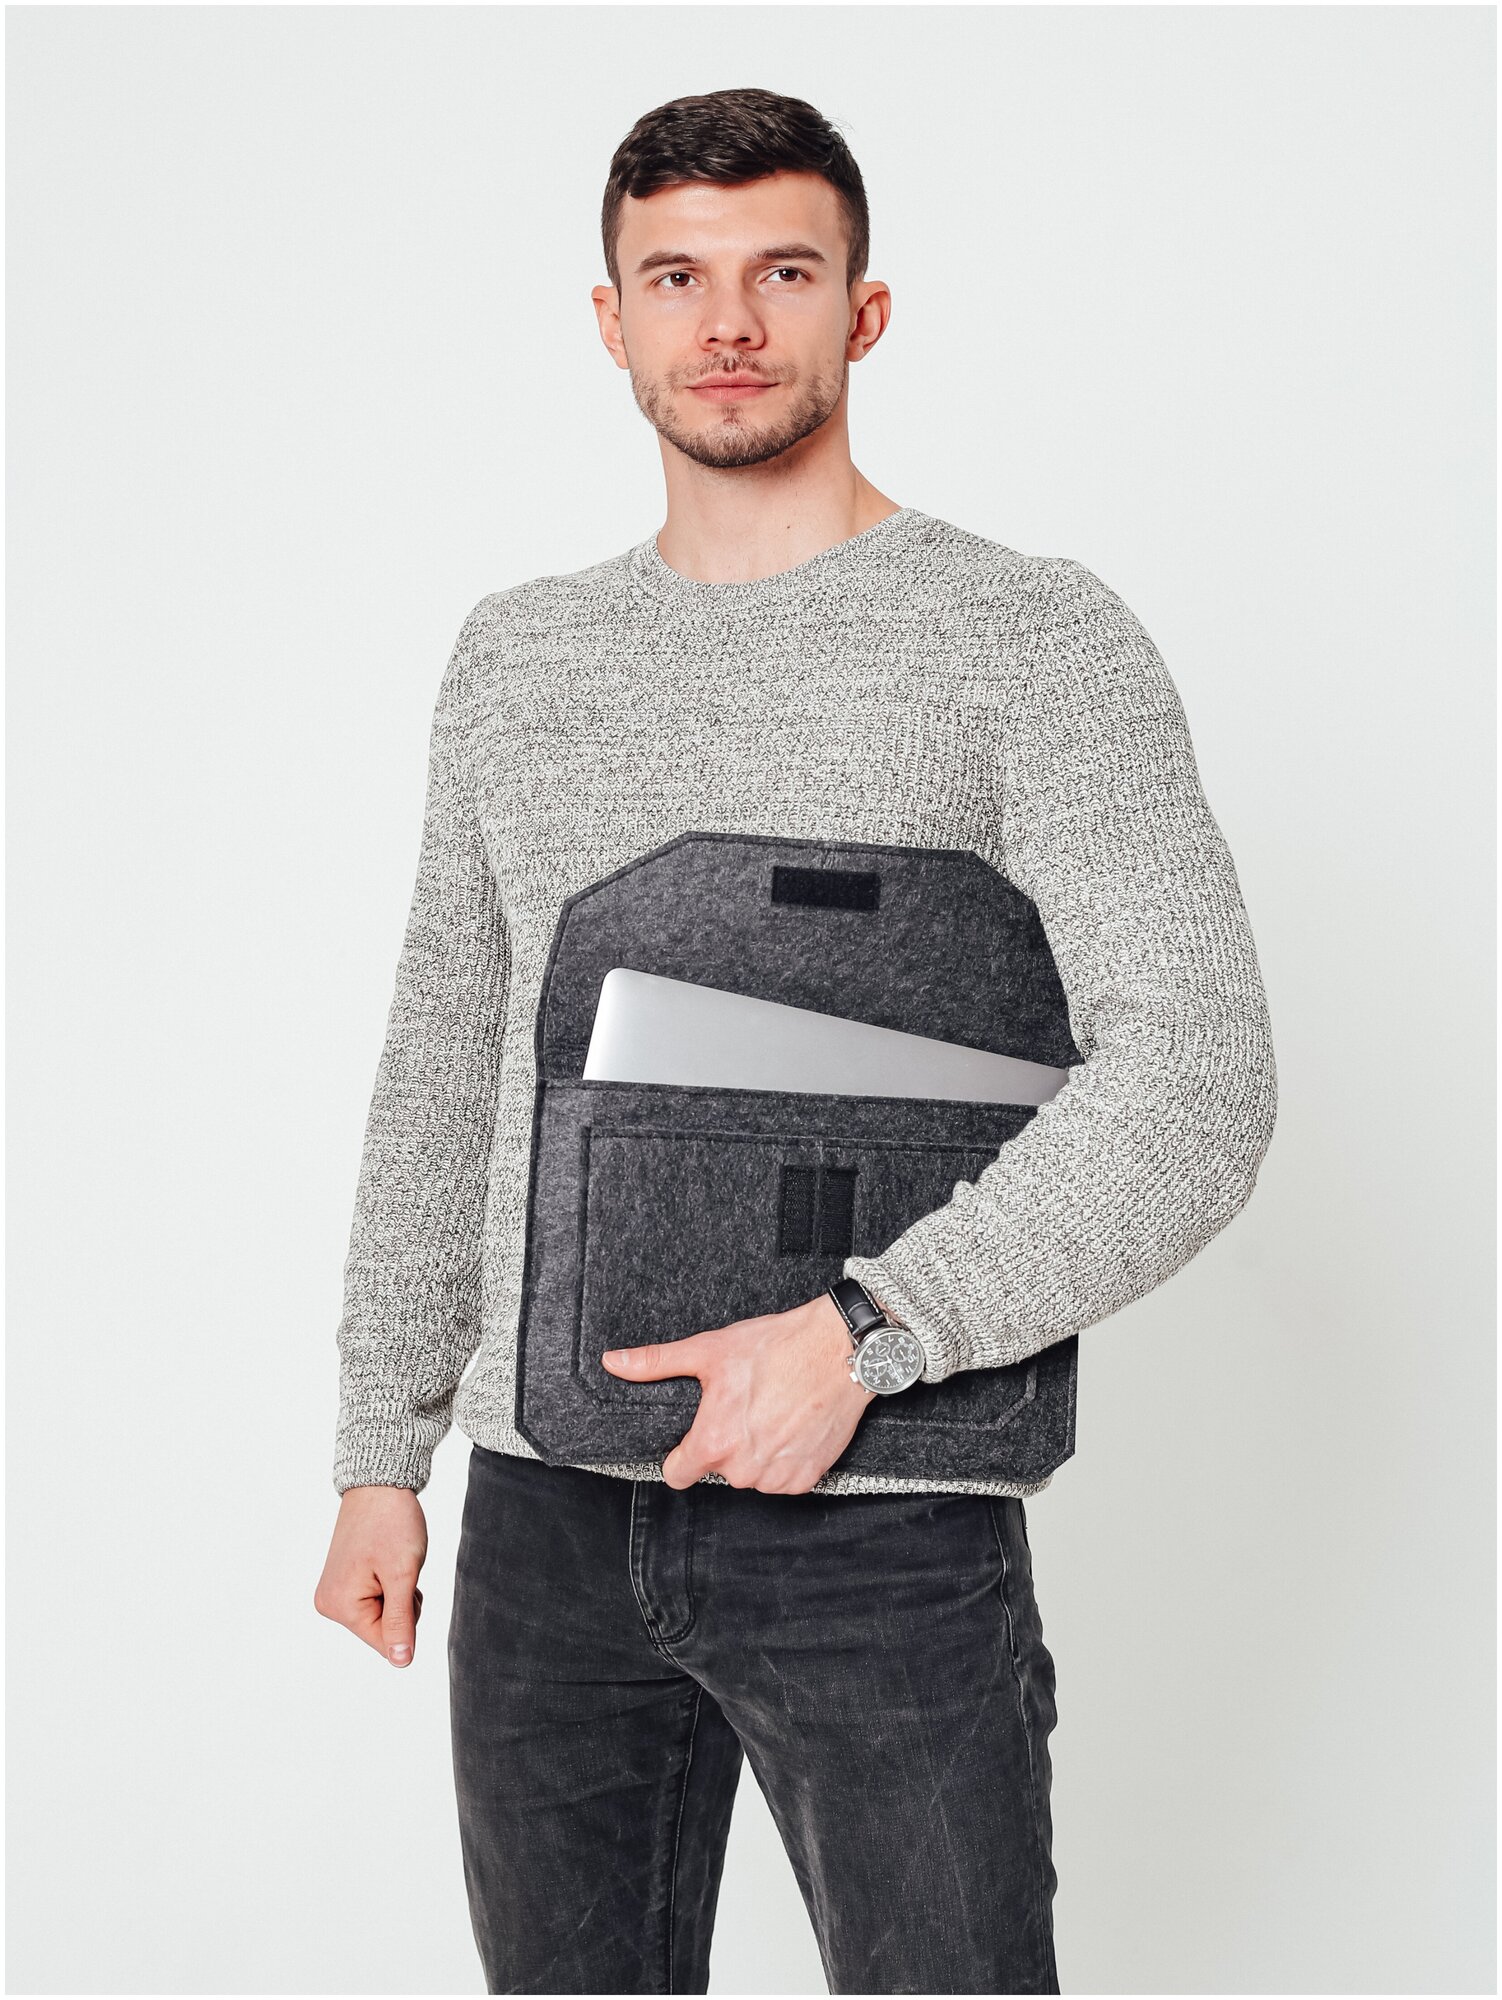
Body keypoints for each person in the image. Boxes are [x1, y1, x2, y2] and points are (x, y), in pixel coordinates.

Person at [313, 85, 1278, 1996]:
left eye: (783, 272)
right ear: (612, 320)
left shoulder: (1028, 640)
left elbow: (1198, 1076)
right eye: (677, 278)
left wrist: (860, 1338)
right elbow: (447, 1057)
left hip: (885, 1519)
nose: (730, 323)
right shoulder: (518, 656)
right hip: (546, 1520)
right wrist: (377, 1446)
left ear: (865, 309)